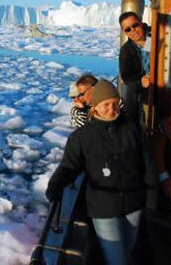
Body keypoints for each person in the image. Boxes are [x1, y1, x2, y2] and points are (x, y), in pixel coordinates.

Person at [46, 80, 158, 265]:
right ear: (95, 107)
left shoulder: (134, 130)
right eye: (105, 104)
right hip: (103, 208)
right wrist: (55, 185)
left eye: (114, 103)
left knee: (129, 250)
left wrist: (152, 200)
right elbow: (70, 166)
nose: (111, 108)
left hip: (134, 203)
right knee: (117, 258)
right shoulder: (82, 137)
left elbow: (149, 166)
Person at [119, 11, 151, 125]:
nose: (133, 30)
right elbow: (126, 76)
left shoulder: (156, 34)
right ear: (124, 32)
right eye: (128, 29)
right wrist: (140, 81)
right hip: (146, 94)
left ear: (141, 23)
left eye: (135, 25)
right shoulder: (126, 50)